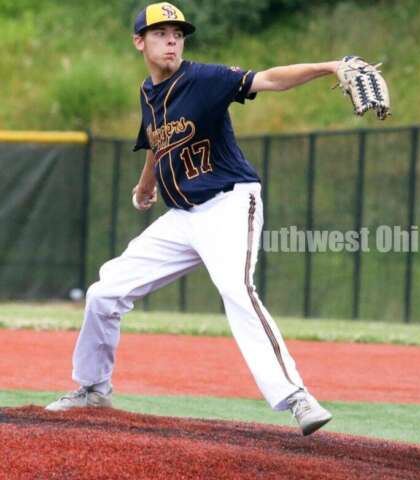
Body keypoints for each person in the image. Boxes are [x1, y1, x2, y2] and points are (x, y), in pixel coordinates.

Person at [45, 2, 342, 436]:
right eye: (161, 33)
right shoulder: (149, 93)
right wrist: (146, 186)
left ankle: (297, 396)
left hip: (228, 203)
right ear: (139, 42)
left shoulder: (205, 79)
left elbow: (270, 78)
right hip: (182, 217)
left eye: (178, 34)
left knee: (236, 290)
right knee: (104, 293)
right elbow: (155, 142)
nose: (171, 40)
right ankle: (92, 389)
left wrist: (330, 66)